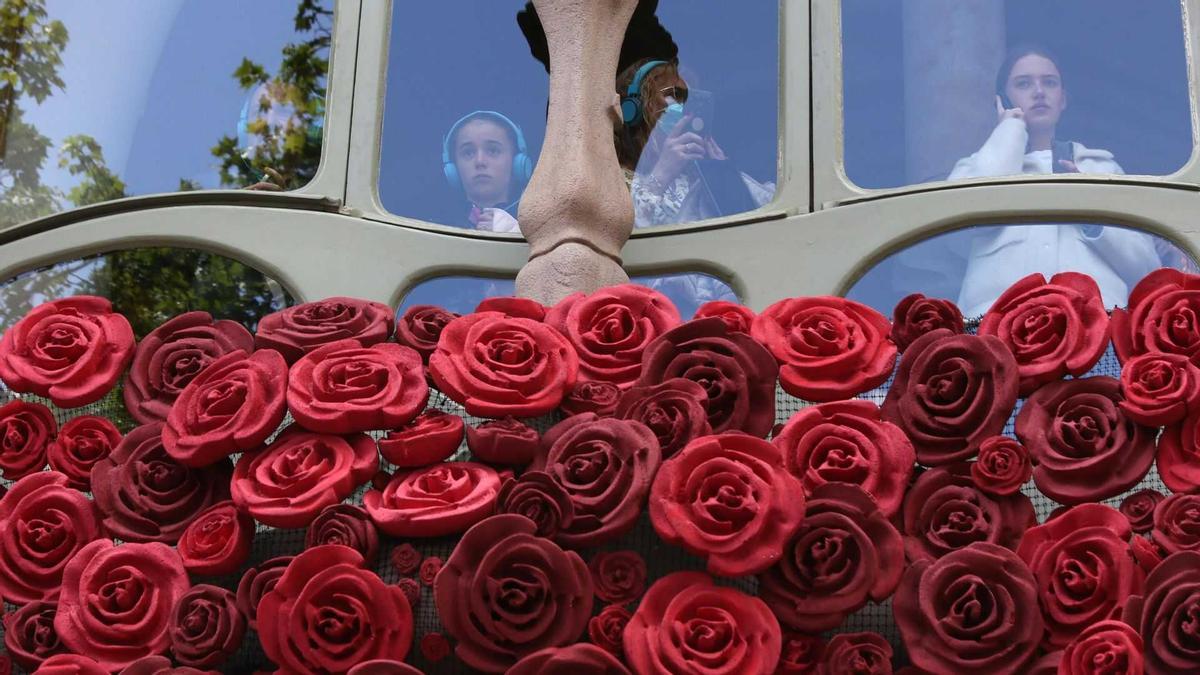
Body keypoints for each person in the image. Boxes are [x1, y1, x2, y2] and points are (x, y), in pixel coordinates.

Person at [946, 45, 1168, 316]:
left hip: (1096, 334)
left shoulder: (1101, 168)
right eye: (1024, 83)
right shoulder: (972, 169)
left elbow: (1145, 268)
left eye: (1049, 82)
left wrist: (1090, 210)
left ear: (1063, 99)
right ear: (1002, 100)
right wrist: (1010, 128)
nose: (1039, 92)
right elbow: (961, 229)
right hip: (997, 331)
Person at [615, 58, 774, 227]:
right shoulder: (610, 178)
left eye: (688, 100)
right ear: (635, 109)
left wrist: (722, 176)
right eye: (673, 95)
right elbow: (618, 237)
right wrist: (661, 175)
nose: (683, 108)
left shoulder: (694, 177)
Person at [440, 110, 533, 233]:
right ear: (453, 169)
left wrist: (515, 232)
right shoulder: (436, 228)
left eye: (493, 151)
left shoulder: (539, 227)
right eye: (468, 152)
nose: (480, 162)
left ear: (517, 163)